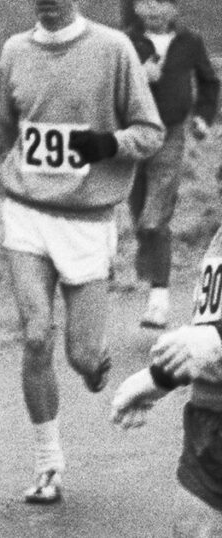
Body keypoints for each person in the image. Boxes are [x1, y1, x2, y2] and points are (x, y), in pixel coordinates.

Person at [0, 0, 164, 504]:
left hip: (87, 220)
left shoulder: (112, 49)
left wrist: (108, 144)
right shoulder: (15, 50)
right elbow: (1, 125)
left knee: (82, 357)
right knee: (36, 335)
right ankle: (48, 463)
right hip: (27, 212)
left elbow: (150, 132)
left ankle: (94, 360)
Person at [110, 223, 222, 536]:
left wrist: (216, 341)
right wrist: (160, 378)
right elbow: (207, 333)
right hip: (209, 417)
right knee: (188, 529)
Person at [125, 0, 219, 328]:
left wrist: (203, 118)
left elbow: (209, 81)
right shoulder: (126, 42)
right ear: (136, 8)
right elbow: (109, 86)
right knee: (140, 216)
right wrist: (140, 75)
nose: (154, 9)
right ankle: (149, 266)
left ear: (175, 8)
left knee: (155, 218)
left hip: (170, 135)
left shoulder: (189, 42)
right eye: (146, 2)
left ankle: (158, 301)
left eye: (162, 2)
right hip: (133, 135)